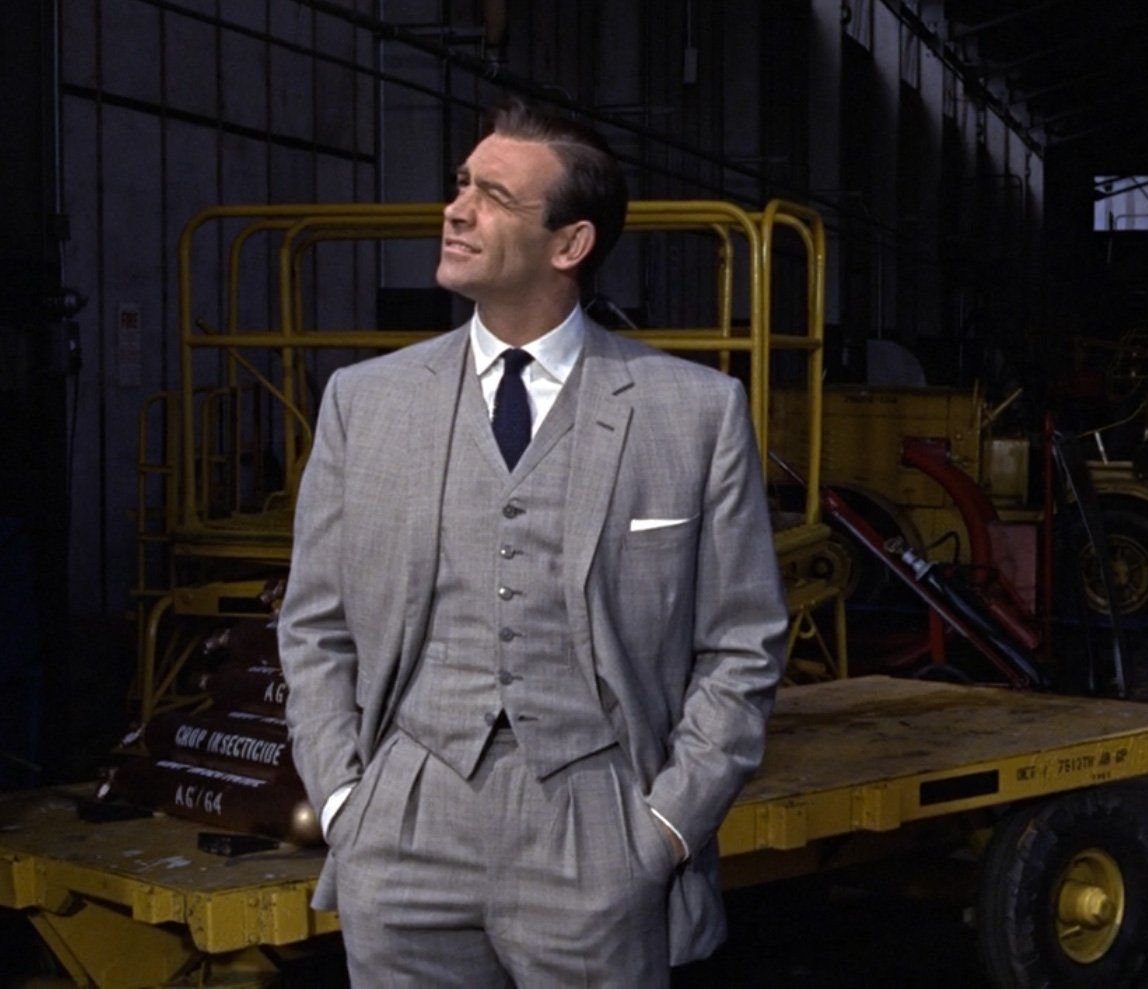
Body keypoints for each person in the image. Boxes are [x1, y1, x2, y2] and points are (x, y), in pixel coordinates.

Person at [278, 98, 787, 986]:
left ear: (570, 244)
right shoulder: (365, 402)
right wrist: (347, 800)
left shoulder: (695, 413)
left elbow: (743, 645)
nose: (457, 209)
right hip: (404, 822)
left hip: (598, 821)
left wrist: (664, 828)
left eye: (496, 196)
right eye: (461, 185)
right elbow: (313, 623)